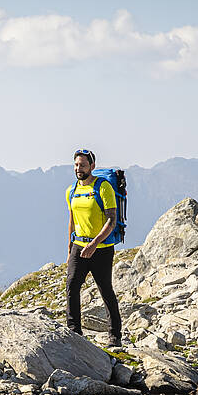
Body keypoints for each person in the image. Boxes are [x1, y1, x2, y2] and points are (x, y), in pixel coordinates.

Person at [66, 148, 122, 347]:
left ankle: (115, 336)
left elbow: (112, 220)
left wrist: (94, 243)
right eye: (76, 164)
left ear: (92, 166)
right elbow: (71, 221)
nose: (78, 168)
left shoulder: (103, 187)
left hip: (102, 248)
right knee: (72, 285)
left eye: (82, 165)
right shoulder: (71, 191)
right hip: (79, 246)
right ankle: (74, 332)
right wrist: (69, 248)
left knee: (105, 289)